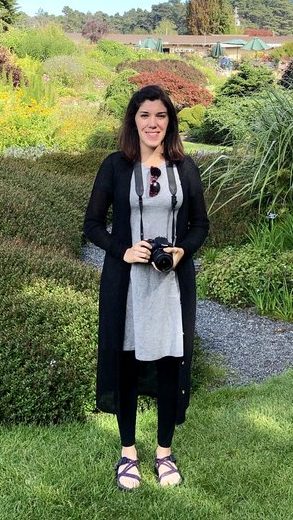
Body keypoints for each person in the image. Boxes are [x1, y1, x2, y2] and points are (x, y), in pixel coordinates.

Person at [83, 84, 209, 490]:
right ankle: (128, 454)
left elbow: (200, 225)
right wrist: (124, 251)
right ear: (132, 120)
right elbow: (92, 225)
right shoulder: (115, 166)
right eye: (144, 115)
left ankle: (164, 453)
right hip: (127, 285)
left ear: (169, 121)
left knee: (171, 362)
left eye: (160, 115)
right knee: (128, 365)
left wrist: (180, 252)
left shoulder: (184, 167)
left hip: (171, 285)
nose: (152, 123)